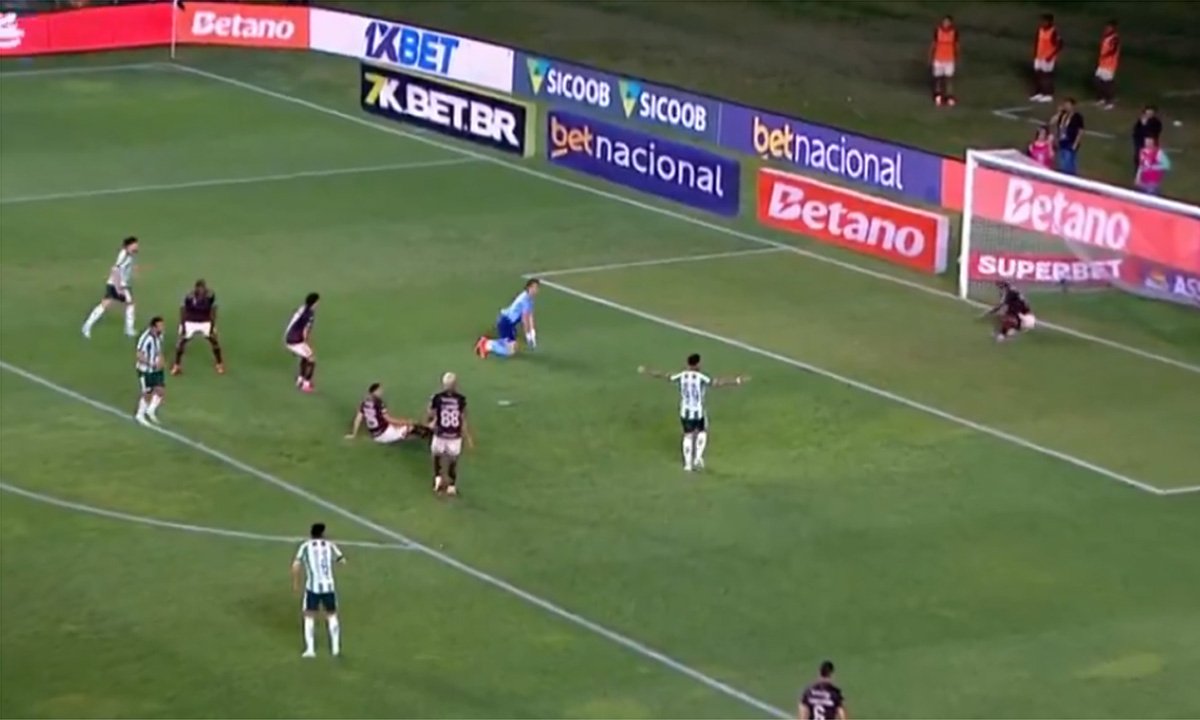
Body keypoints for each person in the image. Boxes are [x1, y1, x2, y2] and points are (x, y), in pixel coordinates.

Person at [638, 354, 746, 472]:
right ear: (698, 364)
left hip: (685, 411)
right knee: (702, 431)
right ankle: (698, 457)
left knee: (688, 435)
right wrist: (736, 381)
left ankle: (687, 465)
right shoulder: (701, 377)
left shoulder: (681, 375)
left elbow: (665, 376)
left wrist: (647, 371)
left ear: (688, 364)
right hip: (698, 411)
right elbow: (717, 383)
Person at [291, 522, 344, 658]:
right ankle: (335, 649)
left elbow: (296, 565)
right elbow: (341, 560)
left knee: (309, 616)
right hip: (329, 587)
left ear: (311, 533)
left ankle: (310, 650)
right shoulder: (330, 545)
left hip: (312, 588)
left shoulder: (305, 546)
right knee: (332, 615)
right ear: (323, 533)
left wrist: (296, 584)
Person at [82, 235, 138, 339]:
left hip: (121, 284)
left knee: (125, 304)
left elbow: (124, 268)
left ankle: (128, 329)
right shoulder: (124, 255)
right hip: (118, 285)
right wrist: (118, 288)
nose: (136, 247)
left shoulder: (129, 255)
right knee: (119, 304)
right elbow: (115, 270)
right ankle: (87, 326)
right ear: (128, 246)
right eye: (134, 245)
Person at [427, 372, 472, 496]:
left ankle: (438, 478)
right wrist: (467, 436)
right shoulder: (461, 399)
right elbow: (463, 418)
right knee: (453, 460)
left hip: (440, 433)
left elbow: (430, 414)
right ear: (455, 384)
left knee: (437, 456)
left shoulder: (437, 397)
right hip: (454, 435)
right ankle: (451, 485)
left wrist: (433, 421)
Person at [344, 382, 429, 444]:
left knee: (403, 427)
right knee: (412, 428)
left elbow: (358, 419)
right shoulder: (379, 402)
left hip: (375, 434)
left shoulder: (364, 402)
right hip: (384, 433)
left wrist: (353, 434)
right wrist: (408, 421)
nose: (382, 392)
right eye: (380, 390)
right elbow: (389, 419)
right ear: (375, 391)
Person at [476, 278, 539, 359]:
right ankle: (487, 344)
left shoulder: (529, 299)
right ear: (528, 288)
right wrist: (528, 336)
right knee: (510, 352)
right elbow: (525, 320)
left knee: (514, 347)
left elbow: (530, 316)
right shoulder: (525, 300)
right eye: (534, 287)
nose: (536, 290)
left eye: (537, 288)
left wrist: (532, 333)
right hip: (505, 323)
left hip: (509, 323)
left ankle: (490, 342)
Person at [171, 279, 223, 375]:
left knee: (214, 341)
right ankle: (177, 365)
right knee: (182, 342)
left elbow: (213, 310)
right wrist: (183, 325)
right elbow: (183, 310)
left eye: (203, 288)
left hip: (205, 321)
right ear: (196, 289)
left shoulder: (210, 296)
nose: (201, 291)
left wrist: (212, 324)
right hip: (191, 321)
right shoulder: (189, 297)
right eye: (199, 289)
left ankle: (219, 364)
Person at [284, 292, 320, 392]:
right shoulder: (309, 315)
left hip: (289, 337)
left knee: (305, 357)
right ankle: (305, 384)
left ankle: (300, 378)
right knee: (312, 359)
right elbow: (305, 332)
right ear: (315, 302)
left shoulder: (302, 308)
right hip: (295, 340)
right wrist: (309, 345)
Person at [134, 316, 166, 426]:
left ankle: (150, 411)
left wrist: (161, 361)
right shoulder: (145, 338)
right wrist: (151, 364)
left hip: (156, 369)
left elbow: (159, 350)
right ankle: (140, 415)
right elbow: (139, 355)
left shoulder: (160, 336)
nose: (162, 328)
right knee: (147, 393)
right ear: (153, 327)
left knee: (160, 391)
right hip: (145, 370)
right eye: (160, 326)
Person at [1029, 13, 1063, 103]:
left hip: (1048, 57)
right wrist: (1035, 54)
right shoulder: (1040, 30)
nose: (1042, 23)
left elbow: (1059, 45)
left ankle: (1048, 94)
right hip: (1039, 56)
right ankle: (1039, 93)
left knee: (1046, 76)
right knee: (1038, 74)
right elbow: (1038, 42)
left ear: (1049, 22)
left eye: (1044, 21)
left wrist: (1051, 56)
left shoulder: (1053, 31)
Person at [929, 15, 959, 107]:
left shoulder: (954, 32)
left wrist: (956, 55)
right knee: (938, 78)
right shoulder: (937, 30)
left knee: (948, 79)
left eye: (948, 22)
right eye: (944, 22)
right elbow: (934, 44)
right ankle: (938, 96)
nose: (946, 23)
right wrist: (931, 55)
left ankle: (949, 96)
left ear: (950, 23)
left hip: (949, 58)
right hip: (938, 57)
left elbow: (956, 45)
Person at [1050, 98, 1084, 175]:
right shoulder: (1063, 116)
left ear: (1072, 106)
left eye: (1068, 104)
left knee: (1068, 160)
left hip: (1071, 141)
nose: (1066, 106)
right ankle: (1068, 174)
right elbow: (1052, 122)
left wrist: (1076, 143)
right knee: (1063, 159)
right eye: (1065, 104)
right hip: (1062, 140)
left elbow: (1080, 131)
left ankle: (1069, 175)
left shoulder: (1077, 117)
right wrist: (1058, 113)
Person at [1093, 20, 1120, 109]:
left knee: (1108, 83)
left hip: (1110, 64)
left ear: (1113, 28)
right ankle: (1102, 98)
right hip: (1102, 63)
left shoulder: (1115, 38)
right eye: (1106, 27)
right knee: (1098, 80)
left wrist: (1106, 55)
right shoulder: (1106, 37)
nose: (1106, 29)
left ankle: (1110, 102)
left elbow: (1113, 50)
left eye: (1109, 27)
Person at [1131, 105, 1163, 173]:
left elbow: (1155, 133)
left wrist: (1145, 125)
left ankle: (1147, 170)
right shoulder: (1141, 120)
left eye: (1151, 113)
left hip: (1150, 142)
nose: (1149, 115)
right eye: (1147, 113)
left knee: (1148, 158)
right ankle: (1137, 170)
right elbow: (1136, 130)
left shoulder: (1156, 122)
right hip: (1140, 141)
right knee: (1137, 156)